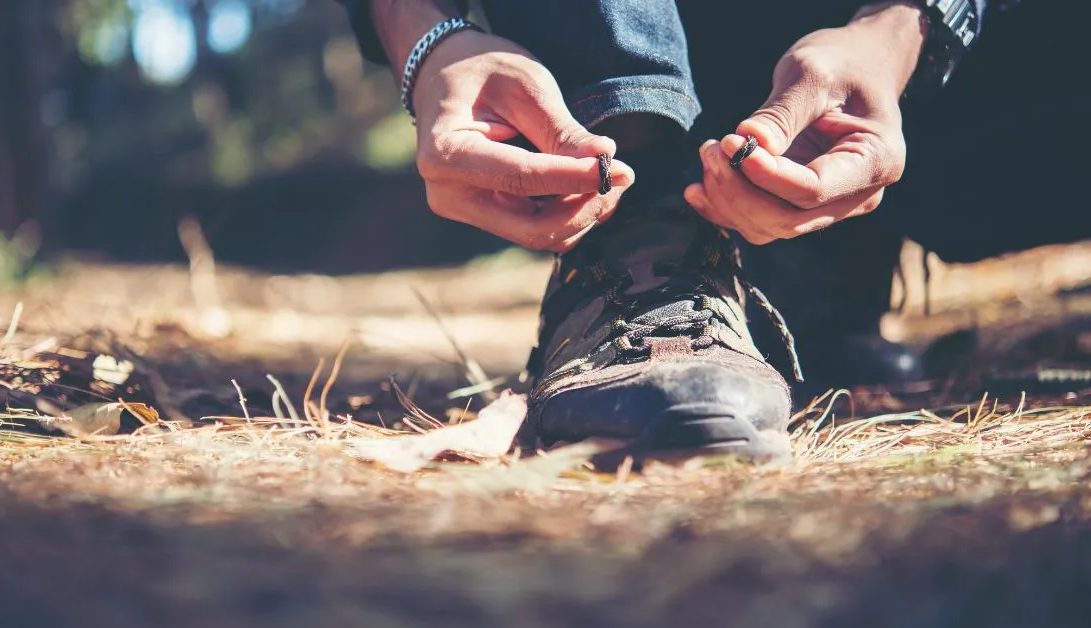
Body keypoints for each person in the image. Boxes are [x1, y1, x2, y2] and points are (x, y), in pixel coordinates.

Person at [342, 0, 1086, 462]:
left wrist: (905, 25)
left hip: (962, 90)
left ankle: (819, 268)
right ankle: (647, 232)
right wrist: (426, 36)